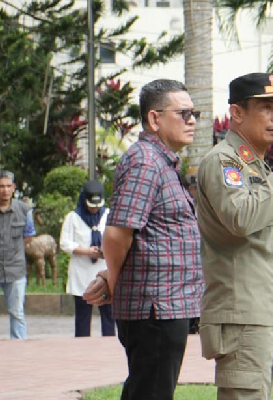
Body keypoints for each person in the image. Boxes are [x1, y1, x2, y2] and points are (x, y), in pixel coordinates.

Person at [82, 79, 205, 399]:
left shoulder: (161, 163)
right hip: (154, 309)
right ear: (155, 119)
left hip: (165, 307)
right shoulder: (145, 162)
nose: (193, 120)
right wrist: (113, 278)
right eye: (184, 113)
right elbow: (116, 233)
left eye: (195, 113)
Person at [194, 72, 273, 399]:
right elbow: (241, 220)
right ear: (237, 113)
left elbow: (261, 237)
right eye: (266, 108)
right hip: (241, 315)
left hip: (261, 312)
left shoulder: (255, 166)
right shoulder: (223, 162)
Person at [60, 180, 114, 337]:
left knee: (109, 314)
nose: (94, 208)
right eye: (91, 205)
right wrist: (86, 251)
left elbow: (116, 239)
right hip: (82, 272)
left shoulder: (108, 215)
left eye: (97, 205)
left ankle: (109, 345)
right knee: (83, 316)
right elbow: (64, 243)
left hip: (104, 270)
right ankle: (82, 347)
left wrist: (105, 250)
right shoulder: (73, 217)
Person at [0, 170, 35, 340]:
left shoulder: (24, 210)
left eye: (8, 186)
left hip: (16, 270)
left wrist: (13, 251)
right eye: (1, 186)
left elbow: (29, 236)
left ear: (14, 188)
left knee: (17, 313)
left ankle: (18, 350)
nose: (5, 190)